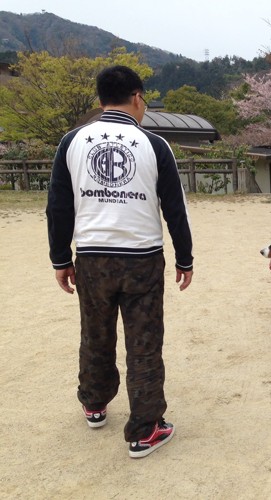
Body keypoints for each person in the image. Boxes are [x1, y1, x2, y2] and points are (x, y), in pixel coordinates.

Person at [46, 65, 194, 459]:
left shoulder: (72, 141)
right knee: (144, 344)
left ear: (100, 101)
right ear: (137, 97)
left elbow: (58, 207)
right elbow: (175, 209)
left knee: (95, 333)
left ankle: (94, 403)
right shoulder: (155, 145)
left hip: (92, 258)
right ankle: (145, 430)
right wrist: (185, 257)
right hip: (142, 259)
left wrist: (61, 258)